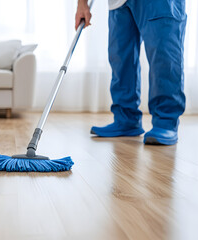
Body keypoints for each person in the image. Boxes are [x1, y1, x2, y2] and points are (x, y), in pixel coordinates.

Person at [75, 0, 187, 145]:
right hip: (118, 3)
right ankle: (125, 119)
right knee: (120, 59)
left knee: (164, 56)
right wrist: (81, 4)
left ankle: (166, 123)